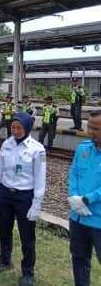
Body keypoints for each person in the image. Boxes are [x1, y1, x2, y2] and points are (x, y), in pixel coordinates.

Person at [0, 112, 46, 286]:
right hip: (5, 193)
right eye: (13, 127)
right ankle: (4, 261)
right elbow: (0, 169)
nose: (15, 130)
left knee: (27, 236)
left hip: (24, 196)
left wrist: (37, 204)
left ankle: (28, 272)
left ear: (27, 128)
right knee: (4, 230)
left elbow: (40, 179)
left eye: (19, 127)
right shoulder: (7, 144)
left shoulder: (37, 149)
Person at [67, 110, 101, 286]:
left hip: (98, 220)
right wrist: (74, 196)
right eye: (89, 127)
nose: (90, 132)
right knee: (79, 259)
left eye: (95, 129)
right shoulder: (83, 148)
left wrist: (87, 199)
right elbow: (73, 173)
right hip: (78, 218)